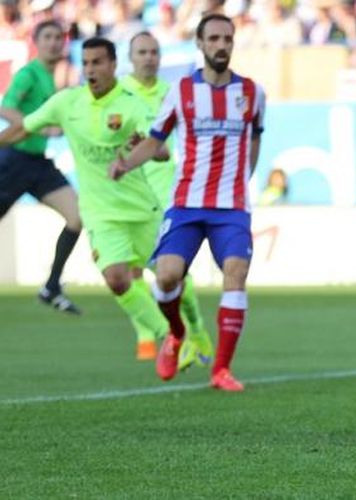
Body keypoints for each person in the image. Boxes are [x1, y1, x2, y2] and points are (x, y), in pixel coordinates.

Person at [108, 14, 266, 392]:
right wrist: (127, 163)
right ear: (199, 43)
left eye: (227, 38)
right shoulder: (180, 92)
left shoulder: (252, 93)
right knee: (165, 276)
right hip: (187, 203)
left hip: (231, 206)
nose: (221, 45)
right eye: (214, 38)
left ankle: (221, 370)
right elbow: (155, 138)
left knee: (236, 274)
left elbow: (256, 139)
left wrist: (242, 180)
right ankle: (176, 334)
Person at [0, 37, 176, 361]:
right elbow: (21, 124)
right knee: (117, 277)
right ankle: (165, 337)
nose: (91, 69)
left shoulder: (131, 102)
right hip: (28, 171)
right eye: (86, 63)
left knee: (171, 275)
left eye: (97, 62)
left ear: (113, 65)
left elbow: (161, 149)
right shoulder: (54, 91)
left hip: (138, 205)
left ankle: (189, 333)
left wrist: (132, 157)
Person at [121, 31, 214, 366]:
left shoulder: (173, 93)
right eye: (142, 51)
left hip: (165, 191)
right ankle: (147, 334)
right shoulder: (120, 94)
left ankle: (197, 330)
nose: (149, 57)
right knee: (128, 270)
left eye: (154, 52)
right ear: (130, 58)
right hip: (127, 193)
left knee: (171, 271)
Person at [0, 20, 83, 314]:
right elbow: (5, 107)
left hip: (37, 163)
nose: (54, 42)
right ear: (36, 41)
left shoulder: (51, 77)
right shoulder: (29, 73)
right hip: (14, 161)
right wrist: (39, 127)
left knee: (76, 216)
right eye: (47, 37)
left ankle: (51, 286)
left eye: (58, 37)